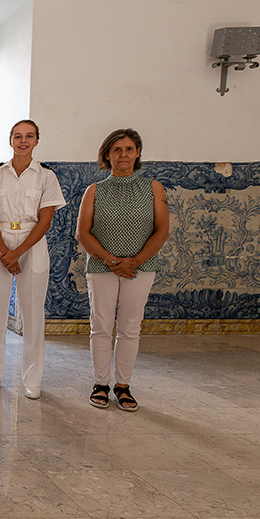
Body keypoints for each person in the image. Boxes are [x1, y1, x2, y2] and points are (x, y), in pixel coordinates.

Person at [76, 128, 169, 411]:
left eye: (129, 149)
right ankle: (101, 384)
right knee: (101, 325)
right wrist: (111, 260)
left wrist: (134, 261)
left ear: (138, 153)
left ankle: (123, 385)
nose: (123, 154)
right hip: (103, 267)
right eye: (117, 150)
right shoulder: (95, 191)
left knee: (130, 327)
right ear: (107, 155)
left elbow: (162, 230)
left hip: (141, 268)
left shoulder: (153, 188)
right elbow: (83, 233)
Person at [0, 120, 66, 399]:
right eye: (18, 136)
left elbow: (45, 220)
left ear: (37, 141)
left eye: (29, 136)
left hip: (32, 243)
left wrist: (18, 252)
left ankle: (32, 379)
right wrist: (5, 251)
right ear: (10, 140)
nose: (23, 141)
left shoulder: (46, 177)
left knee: (33, 313)